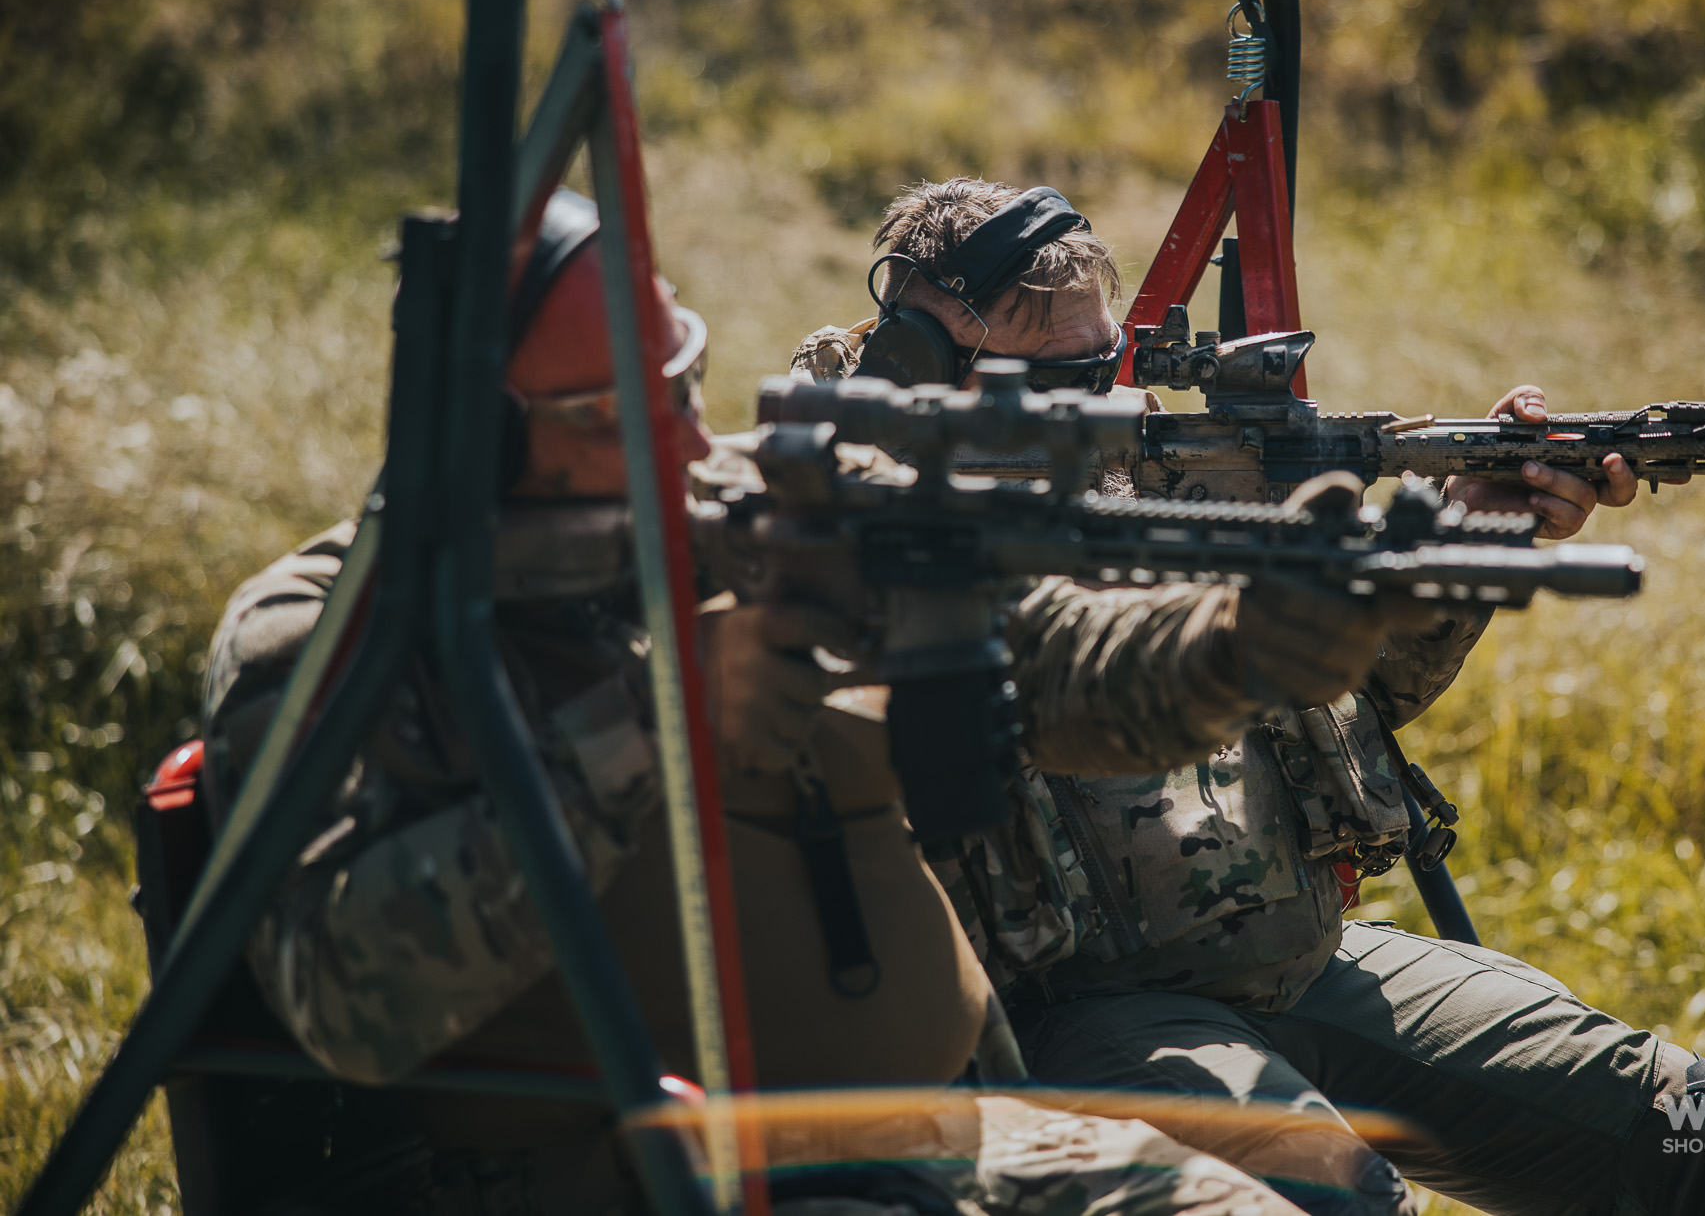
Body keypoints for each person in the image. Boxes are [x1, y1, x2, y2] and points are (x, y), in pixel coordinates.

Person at [198, 188, 1333, 1216]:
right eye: (620, 416)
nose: (692, 442)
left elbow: (1059, 661)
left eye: (686, 386)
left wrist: (1239, 642)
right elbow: (353, 1001)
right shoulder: (326, 635)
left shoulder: (766, 507)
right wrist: (662, 722)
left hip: (960, 1142)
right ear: (480, 438)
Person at [790, 178, 1705, 1216]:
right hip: (1082, 1022)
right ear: (925, 363)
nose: (1110, 398)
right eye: (1065, 376)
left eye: (1111, 363)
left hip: (1303, 967)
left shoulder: (1155, 480)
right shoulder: (849, 538)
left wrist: (1464, 538)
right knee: (1343, 1202)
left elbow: (1352, 704)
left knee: (1685, 1125)